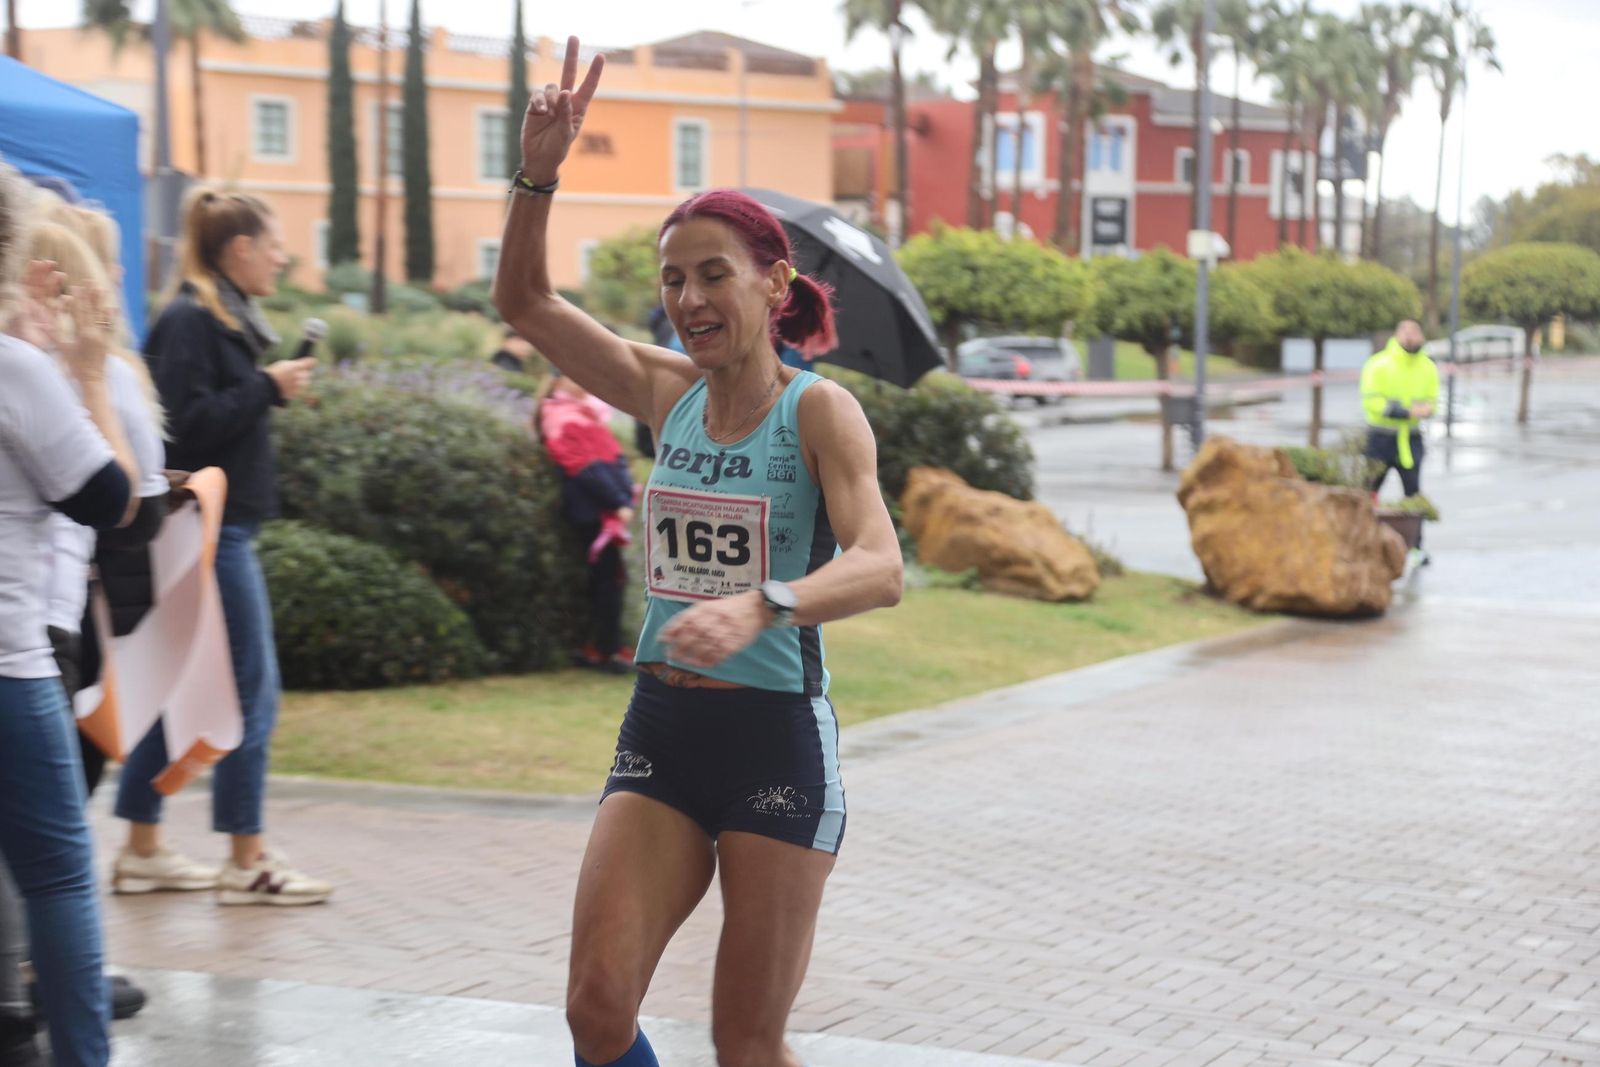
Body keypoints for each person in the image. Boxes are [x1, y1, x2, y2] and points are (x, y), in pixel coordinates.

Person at [493, 39, 902, 1067]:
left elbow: (879, 563)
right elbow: (526, 304)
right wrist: (537, 172)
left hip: (776, 745)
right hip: (663, 728)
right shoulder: (663, 391)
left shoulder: (821, 411)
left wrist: (764, 603)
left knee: (746, 1042)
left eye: (712, 275)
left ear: (773, 285)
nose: (687, 299)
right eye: (672, 280)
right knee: (595, 1005)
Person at [110, 187, 332, 907]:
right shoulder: (189, 320)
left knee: (185, 690)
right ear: (238, 250)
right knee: (249, 691)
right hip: (208, 531)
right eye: (272, 244)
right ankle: (246, 858)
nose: (281, 256)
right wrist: (265, 388)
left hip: (218, 529)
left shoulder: (217, 317)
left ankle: (143, 847)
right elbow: (178, 432)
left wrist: (267, 388)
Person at [0, 159, 140, 1067]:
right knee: (54, 875)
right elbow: (112, 498)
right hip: (9, 664)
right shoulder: (16, 368)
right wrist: (84, 372)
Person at [538, 371, 637, 674]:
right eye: (570, 377)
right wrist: (617, 500)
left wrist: (624, 496)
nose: (581, 381)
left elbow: (612, 457)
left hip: (605, 508)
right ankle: (604, 649)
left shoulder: (589, 413)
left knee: (610, 579)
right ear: (556, 383)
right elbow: (583, 465)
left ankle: (606, 645)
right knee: (608, 580)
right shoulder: (561, 415)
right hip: (593, 512)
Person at [1361, 319, 1439, 564]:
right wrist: (1404, 412)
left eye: (1415, 332)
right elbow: (1372, 401)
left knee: (1413, 494)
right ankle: (1360, 538)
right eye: (1406, 332)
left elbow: (1432, 401)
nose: (1411, 337)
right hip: (1381, 438)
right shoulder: (1379, 364)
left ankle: (1415, 548)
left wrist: (1425, 410)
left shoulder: (1427, 366)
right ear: (1396, 335)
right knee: (1368, 491)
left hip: (1410, 439)